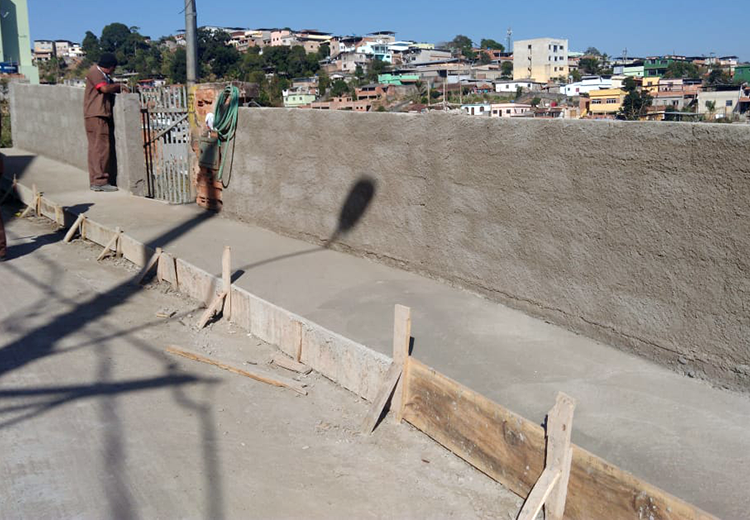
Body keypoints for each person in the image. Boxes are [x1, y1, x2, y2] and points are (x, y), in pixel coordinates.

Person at [83, 52, 127, 192]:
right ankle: (100, 181)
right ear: (110, 67)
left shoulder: (101, 74)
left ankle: (97, 180)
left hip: (96, 114)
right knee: (101, 149)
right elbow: (104, 88)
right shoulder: (95, 73)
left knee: (96, 148)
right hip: (97, 114)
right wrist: (120, 86)